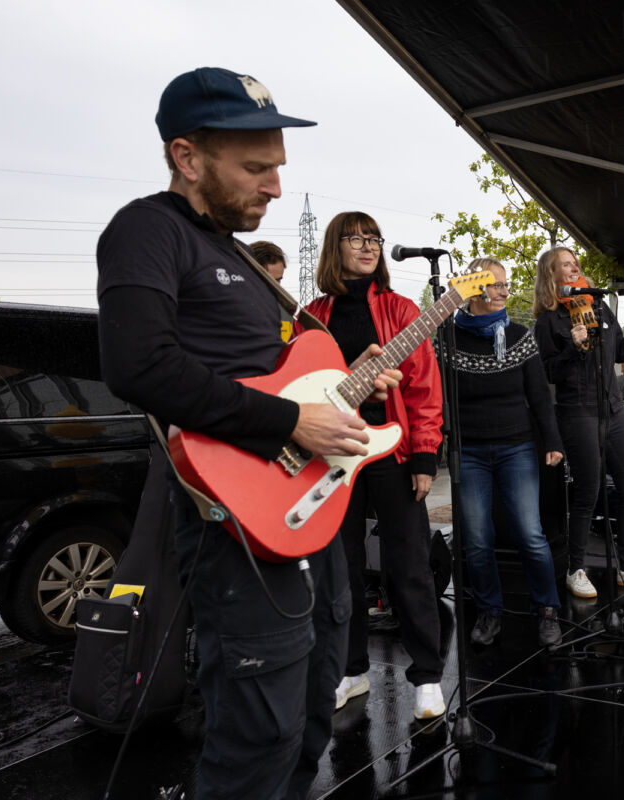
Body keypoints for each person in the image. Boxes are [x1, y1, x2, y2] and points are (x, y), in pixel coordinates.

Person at [96, 68, 401, 798]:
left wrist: (340, 381)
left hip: (308, 512)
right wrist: (295, 420)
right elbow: (139, 365)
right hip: (234, 522)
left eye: (278, 168)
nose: (273, 187)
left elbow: (284, 375)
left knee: (311, 713)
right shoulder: (145, 229)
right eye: (256, 168)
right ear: (187, 157)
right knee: (257, 732)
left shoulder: (239, 258)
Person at [302, 211, 447, 719]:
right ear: (333, 247)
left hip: (391, 452)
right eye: (356, 237)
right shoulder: (311, 316)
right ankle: (351, 670)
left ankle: (428, 676)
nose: (368, 246)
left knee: (408, 566)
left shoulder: (402, 310)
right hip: (331, 457)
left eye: (374, 238)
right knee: (339, 571)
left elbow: (425, 387)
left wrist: (425, 455)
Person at [532, 247, 624, 597]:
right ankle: (575, 569)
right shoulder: (549, 320)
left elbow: (622, 352)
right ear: (551, 275)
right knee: (587, 491)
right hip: (577, 412)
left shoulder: (598, 306)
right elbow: (547, 372)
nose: (574, 267)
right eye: (566, 264)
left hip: (612, 410)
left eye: (575, 263)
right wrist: (573, 348)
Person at [444, 258, 564, 647]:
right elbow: (438, 397)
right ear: (474, 290)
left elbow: (539, 397)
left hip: (517, 446)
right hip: (470, 450)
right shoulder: (447, 339)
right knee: (477, 540)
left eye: (505, 285)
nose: (504, 292)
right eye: (495, 285)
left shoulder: (519, 336)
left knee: (530, 533)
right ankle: (489, 611)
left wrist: (553, 442)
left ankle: (547, 609)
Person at [250, 240, 294, 342]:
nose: (276, 287)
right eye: (268, 280)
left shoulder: (288, 313)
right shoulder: (229, 310)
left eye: (279, 280)